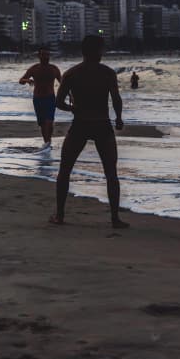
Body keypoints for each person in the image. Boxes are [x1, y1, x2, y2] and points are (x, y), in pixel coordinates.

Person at [51, 35, 128, 228]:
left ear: (83, 52)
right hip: (103, 124)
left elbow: (58, 102)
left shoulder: (72, 73)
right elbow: (116, 99)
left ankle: (60, 215)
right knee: (111, 173)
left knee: (65, 170)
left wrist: (72, 109)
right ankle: (115, 218)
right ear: (98, 51)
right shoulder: (108, 73)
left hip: (81, 124)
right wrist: (118, 118)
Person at [19, 48, 63, 150]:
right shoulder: (34, 68)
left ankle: (48, 142)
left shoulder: (54, 69)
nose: (45, 57)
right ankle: (46, 142)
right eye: (43, 55)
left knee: (49, 122)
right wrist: (27, 80)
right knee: (43, 123)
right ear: (39, 56)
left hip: (50, 98)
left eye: (47, 55)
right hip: (38, 98)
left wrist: (70, 95)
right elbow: (21, 80)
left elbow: (63, 83)